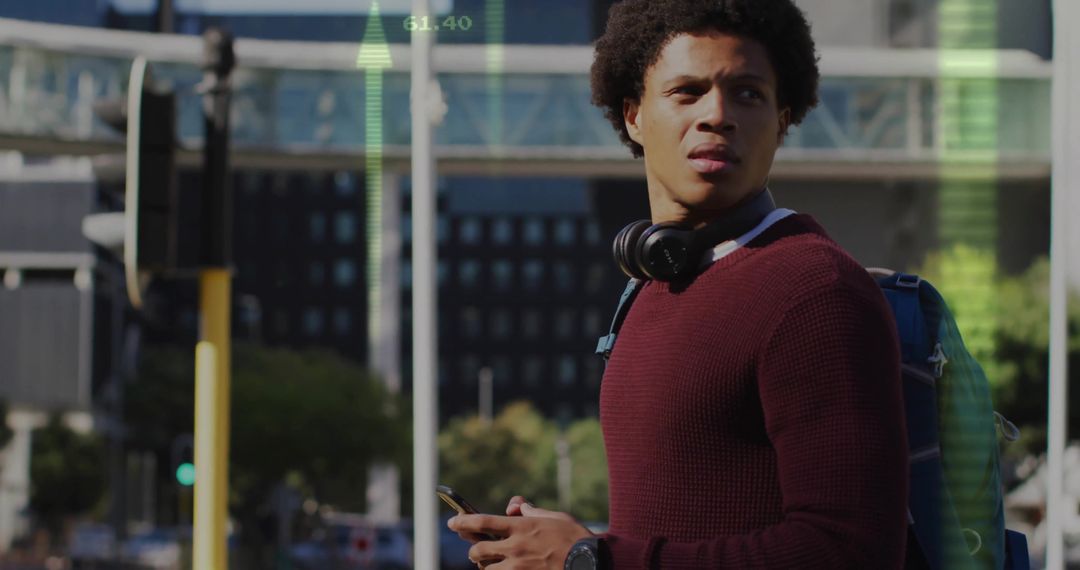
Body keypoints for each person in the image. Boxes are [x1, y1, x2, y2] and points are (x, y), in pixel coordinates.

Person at [448, 0, 910, 567]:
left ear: (783, 117)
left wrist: (597, 560)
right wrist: (572, 547)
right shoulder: (656, 284)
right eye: (687, 92)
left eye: (748, 93)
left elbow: (852, 552)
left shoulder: (814, 290)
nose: (718, 114)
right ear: (633, 114)